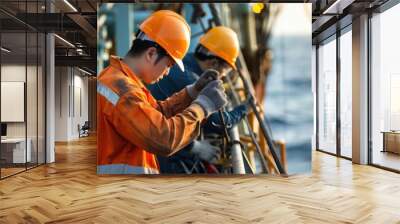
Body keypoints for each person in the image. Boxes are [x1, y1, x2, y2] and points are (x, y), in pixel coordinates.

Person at [97, 10, 228, 174]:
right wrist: (204, 106)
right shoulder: (123, 91)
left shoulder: (123, 82)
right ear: (151, 54)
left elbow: (156, 115)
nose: (167, 72)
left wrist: (193, 92)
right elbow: (164, 138)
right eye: (169, 65)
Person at [147, 26, 249, 173]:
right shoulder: (191, 79)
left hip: (161, 137)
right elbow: (220, 124)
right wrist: (245, 108)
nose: (224, 77)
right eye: (224, 72)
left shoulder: (186, 62)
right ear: (214, 64)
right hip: (160, 157)